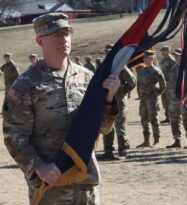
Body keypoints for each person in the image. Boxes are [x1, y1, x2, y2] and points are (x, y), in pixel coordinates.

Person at [2, 13, 120, 204]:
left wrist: (109, 99)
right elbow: (14, 134)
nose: (64, 39)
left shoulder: (87, 78)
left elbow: (103, 129)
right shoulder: (26, 84)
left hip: (85, 181)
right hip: (51, 185)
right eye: (56, 34)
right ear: (40, 41)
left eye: (66, 33)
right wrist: (38, 166)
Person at [97, 46, 136, 160]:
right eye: (107, 53)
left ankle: (123, 149)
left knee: (120, 125)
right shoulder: (103, 67)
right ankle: (108, 151)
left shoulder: (121, 66)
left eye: (111, 53)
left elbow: (132, 82)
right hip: (106, 102)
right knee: (107, 126)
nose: (108, 55)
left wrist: (121, 91)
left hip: (119, 102)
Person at [136, 51, 166, 148]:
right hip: (143, 98)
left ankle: (157, 140)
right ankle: (146, 141)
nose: (144, 60)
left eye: (147, 58)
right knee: (143, 118)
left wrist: (157, 93)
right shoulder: (142, 71)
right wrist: (139, 95)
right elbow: (139, 84)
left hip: (152, 98)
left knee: (153, 118)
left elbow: (163, 85)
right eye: (144, 58)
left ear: (152, 59)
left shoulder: (156, 71)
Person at [165, 48, 187, 149]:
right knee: (174, 120)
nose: (176, 57)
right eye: (175, 56)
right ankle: (177, 140)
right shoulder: (173, 68)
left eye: (178, 55)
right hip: (173, 100)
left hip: (184, 99)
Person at [159, 45, 176, 123]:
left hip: (171, 84)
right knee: (165, 101)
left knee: (171, 101)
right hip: (164, 84)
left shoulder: (172, 61)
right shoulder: (162, 61)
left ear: (168, 51)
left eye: (164, 50)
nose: (162, 52)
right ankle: (167, 117)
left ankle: (173, 117)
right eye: (162, 51)